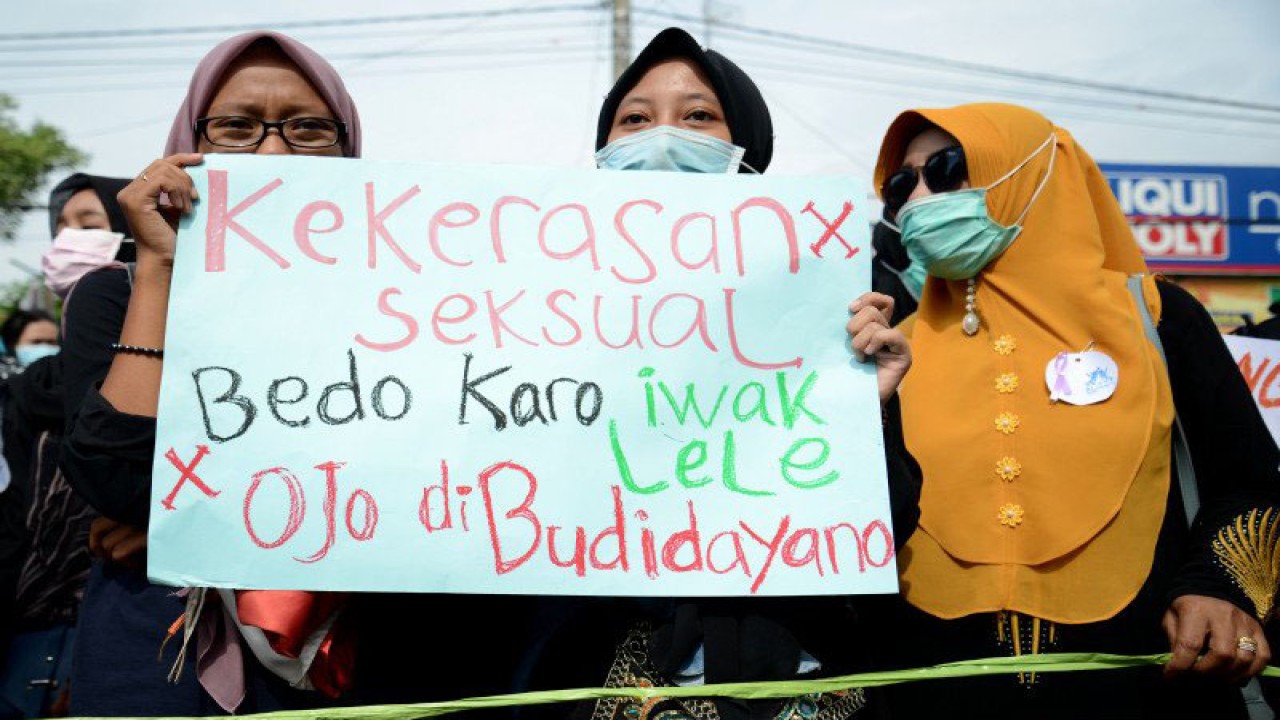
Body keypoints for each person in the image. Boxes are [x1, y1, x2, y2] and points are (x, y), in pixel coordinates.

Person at [522, 28, 921, 720]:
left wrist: (865, 409)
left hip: (785, 673)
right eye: (636, 119)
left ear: (747, 150)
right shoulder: (537, 305)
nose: (665, 137)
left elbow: (893, 526)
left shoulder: (832, 303)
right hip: (594, 673)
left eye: (698, 115)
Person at [873, 102, 1280, 718]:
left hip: (1151, 696)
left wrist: (1217, 586)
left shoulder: (1157, 319)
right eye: (902, 184)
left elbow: (1248, 483)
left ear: (1036, 174)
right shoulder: (891, 351)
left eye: (949, 169)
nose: (920, 198)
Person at [57, 32, 366, 716]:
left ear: (349, 151)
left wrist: (195, 524)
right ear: (187, 142)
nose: (273, 152)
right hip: (154, 648)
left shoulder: (398, 307)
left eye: (309, 129)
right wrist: (162, 268)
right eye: (236, 127)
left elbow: (414, 483)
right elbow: (116, 479)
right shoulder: (116, 294)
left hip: (345, 652)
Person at [0, 173, 132, 719]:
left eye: (88, 225)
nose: (66, 242)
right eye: (59, 228)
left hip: (121, 613)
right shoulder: (28, 389)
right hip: (23, 625)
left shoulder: (160, 368)